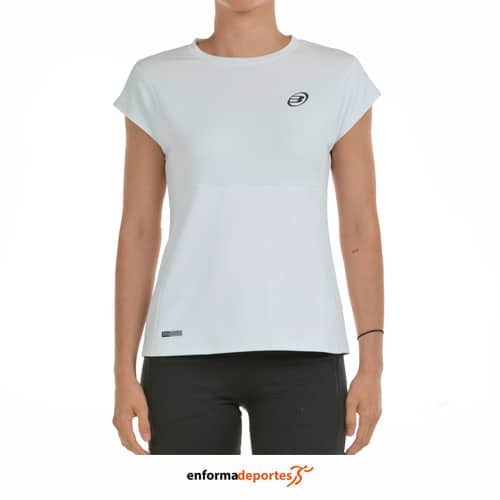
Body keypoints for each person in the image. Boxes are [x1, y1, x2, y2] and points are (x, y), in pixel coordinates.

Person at [112, 0, 384, 455]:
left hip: (305, 349)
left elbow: (360, 228)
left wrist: (372, 365)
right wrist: (122, 372)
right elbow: (138, 230)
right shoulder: (156, 79)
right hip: (182, 352)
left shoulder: (337, 76)